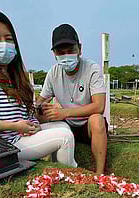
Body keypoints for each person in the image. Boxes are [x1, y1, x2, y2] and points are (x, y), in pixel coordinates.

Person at [0, 9, 77, 167]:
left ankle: (57, 167)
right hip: (5, 144)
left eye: (8, 39)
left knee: (63, 126)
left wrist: (32, 124)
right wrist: (15, 126)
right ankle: (72, 175)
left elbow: (23, 112)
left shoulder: (11, 72)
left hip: (20, 135)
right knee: (64, 137)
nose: (4, 43)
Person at [36, 24, 107, 174]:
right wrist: (41, 107)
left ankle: (100, 174)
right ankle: (46, 163)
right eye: (61, 53)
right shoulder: (53, 73)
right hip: (67, 125)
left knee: (97, 119)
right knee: (41, 113)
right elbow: (40, 101)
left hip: (87, 126)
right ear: (54, 54)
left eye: (71, 51)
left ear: (79, 49)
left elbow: (99, 106)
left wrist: (64, 113)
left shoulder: (92, 69)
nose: (66, 56)